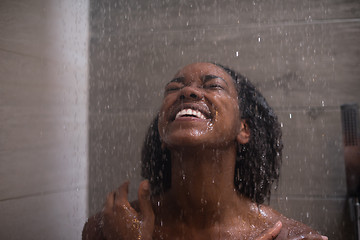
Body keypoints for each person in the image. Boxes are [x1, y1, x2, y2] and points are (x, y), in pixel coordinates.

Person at [83, 62, 327, 240]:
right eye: (173, 89)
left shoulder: (290, 237)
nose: (187, 92)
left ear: (244, 129)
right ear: (162, 134)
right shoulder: (108, 230)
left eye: (213, 86)